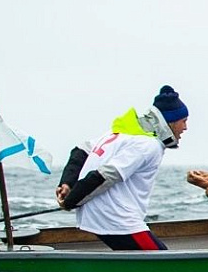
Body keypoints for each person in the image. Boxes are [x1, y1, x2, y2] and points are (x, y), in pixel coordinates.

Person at [55, 86, 190, 250]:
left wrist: (67, 183)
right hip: (116, 221)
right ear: (171, 121)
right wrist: (70, 202)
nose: (185, 128)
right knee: (166, 263)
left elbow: (80, 151)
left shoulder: (117, 134)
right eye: (184, 121)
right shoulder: (148, 145)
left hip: (96, 217)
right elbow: (106, 175)